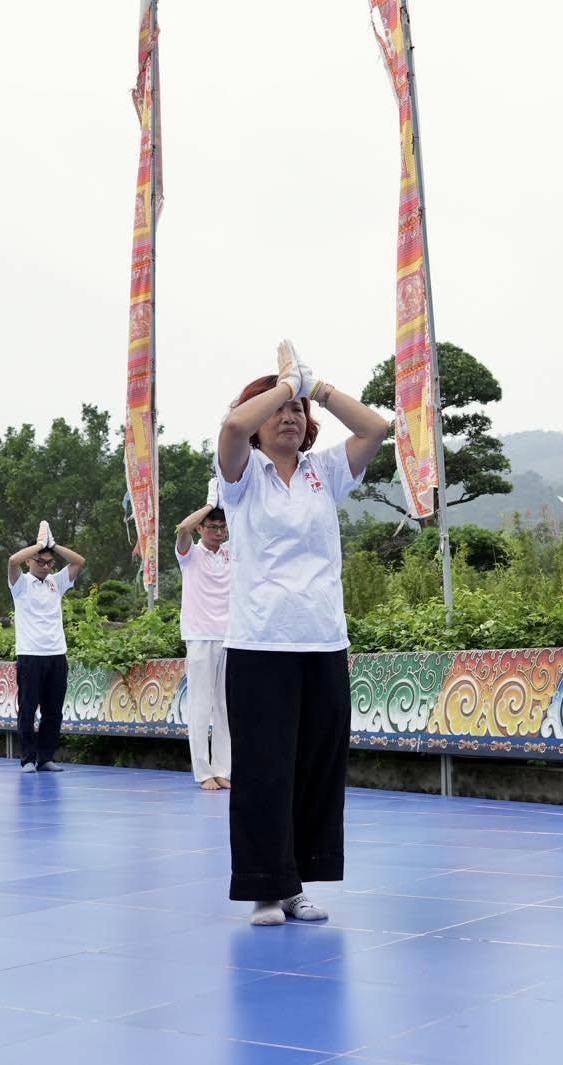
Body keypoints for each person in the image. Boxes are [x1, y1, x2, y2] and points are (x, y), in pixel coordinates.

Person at [215, 340, 389, 926]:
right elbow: (233, 427)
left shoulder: (325, 471)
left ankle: (296, 886)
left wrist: (317, 388)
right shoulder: (242, 476)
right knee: (264, 769)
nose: (289, 416)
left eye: (297, 411)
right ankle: (265, 889)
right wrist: (287, 383)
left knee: (314, 768)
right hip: (260, 644)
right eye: (278, 410)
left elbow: (376, 428)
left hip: (323, 643)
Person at [6, 523, 85, 773]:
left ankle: (45, 757)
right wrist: (40, 545)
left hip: (56, 654)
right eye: (40, 561)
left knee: (53, 710)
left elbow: (79, 562)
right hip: (30, 654)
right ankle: (28, 758)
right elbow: (12, 561)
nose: (46, 566)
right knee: (28, 709)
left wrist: (53, 545)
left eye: (50, 562)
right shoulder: (21, 583)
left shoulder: (56, 582)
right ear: (30, 560)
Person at [176, 480, 232, 790]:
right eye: (212, 526)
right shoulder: (191, 555)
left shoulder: (231, 553)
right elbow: (182, 528)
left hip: (230, 636)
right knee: (200, 706)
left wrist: (225, 501)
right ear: (202, 528)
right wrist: (211, 504)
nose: (218, 532)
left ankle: (223, 768)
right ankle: (203, 771)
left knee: (225, 706)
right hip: (199, 636)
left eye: (222, 527)